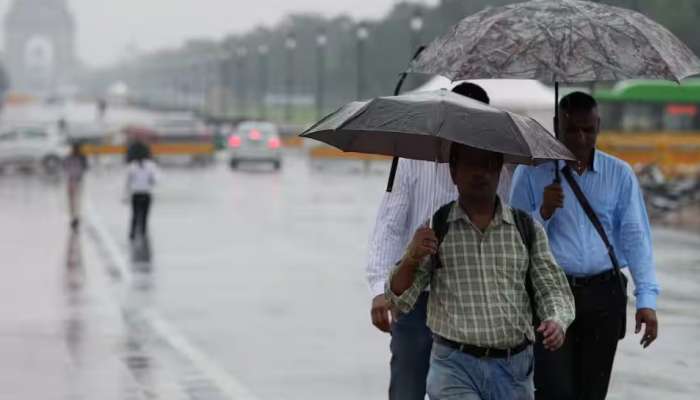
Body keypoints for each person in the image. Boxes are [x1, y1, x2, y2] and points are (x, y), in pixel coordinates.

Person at [386, 143, 575, 400]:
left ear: (499, 172)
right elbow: (400, 299)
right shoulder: (436, 229)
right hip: (454, 367)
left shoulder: (526, 228)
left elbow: (552, 289)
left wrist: (556, 321)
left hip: (513, 370)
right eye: (471, 165)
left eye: (489, 165)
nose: (481, 173)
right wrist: (411, 256)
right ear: (453, 171)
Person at [367, 82, 515, 400]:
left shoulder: (500, 169)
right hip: (417, 299)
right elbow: (389, 226)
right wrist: (380, 289)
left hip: (475, 301)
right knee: (408, 388)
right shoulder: (411, 159)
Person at [509, 92, 660, 400]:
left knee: (591, 392)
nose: (580, 138)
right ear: (556, 126)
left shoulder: (619, 174)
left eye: (588, 130)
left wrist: (647, 299)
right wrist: (544, 213)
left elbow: (635, 238)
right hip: (549, 294)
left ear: (598, 127)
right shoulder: (531, 173)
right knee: (554, 391)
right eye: (572, 130)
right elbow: (512, 241)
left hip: (604, 296)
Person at [125, 153, 158, 240]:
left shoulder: (133, 166)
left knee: (140, 215)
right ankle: (138, 232)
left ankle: (138, 233)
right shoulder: (148, 166)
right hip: (141, 193)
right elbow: (153, 180)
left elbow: (128, 181)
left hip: (141, 193)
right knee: (139, 215)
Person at [63, 142, 88, 229]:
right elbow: (85, 167)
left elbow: (65, 167)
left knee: (71, 201)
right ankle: (76, 216)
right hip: (78, 181)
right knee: (77, 200)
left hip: (71, 181)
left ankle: (73, 216)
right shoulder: (82, 157)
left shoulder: (68, 157)